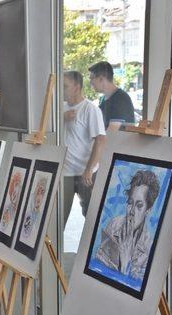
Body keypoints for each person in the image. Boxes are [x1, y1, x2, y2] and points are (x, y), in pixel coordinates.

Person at [96, 170, 160, 280]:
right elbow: (98, 271)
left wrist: (125, 263)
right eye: (130, 203)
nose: (132, 211)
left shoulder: (148, 247)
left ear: (148, 210)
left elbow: (135, 288)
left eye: (139, 205)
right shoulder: (113, 225)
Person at [62, 70, 106, 225]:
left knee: (91, 218)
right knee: (58, 219)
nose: (61, 90)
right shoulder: (60, 108)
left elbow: (100, 140)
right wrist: (62, 118)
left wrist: (89, 169)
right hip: (64, 172)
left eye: (65, 86)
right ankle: (55, 250)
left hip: (85, 173)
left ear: (76, 87)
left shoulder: (90, 109)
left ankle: (92, 249)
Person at [88, 61, 135, 131]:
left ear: (101, 79)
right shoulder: (103, 99)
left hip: (118, 142)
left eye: (91, 78)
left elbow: (112, 132)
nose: (90, 82)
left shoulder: (121, 98)